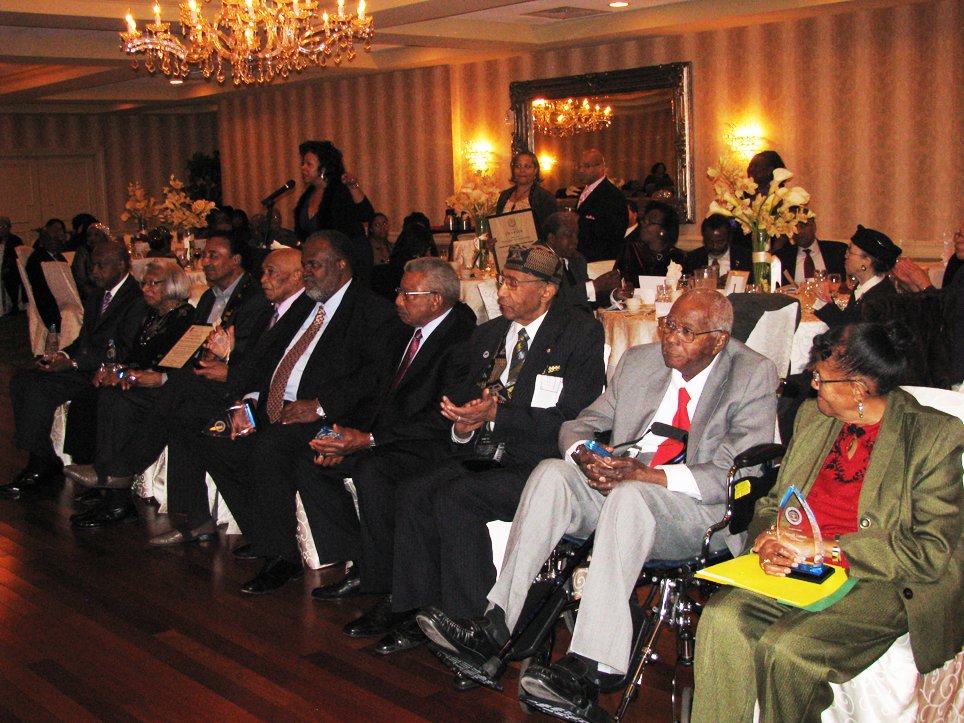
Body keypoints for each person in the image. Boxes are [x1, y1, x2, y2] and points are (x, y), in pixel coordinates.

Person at [417, 289, 778, 723]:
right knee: (553, 472)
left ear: (718, 340)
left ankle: (591, 667)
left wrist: (646, 476)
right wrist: (585, 453)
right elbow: (581, 422)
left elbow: (738, 471)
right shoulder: (641, 361)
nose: (670, 339)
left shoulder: (752, 373)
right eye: (668, 325)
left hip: (695, 507)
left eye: (686, 332)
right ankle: (496, 626)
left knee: (629, 495)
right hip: (624, 484)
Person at [692, 321, 964, 723]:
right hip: (802, 565)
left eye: (820, 376)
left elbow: (930, 551)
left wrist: (825, 549)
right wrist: (769, 539)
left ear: (858, 389)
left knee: (788, 651)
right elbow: (774, 500)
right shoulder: (813, 418)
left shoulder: (933, 435)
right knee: (720, 620)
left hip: (881, 577)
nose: (813, 384)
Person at [359, 245, 607, 656]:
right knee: (413, 488)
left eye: (512, 283)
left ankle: (472, 631)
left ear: (546, 291)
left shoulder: (578, 332)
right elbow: (467, 412)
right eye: (500, 282)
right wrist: (462, 425)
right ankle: (418, 610)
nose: (501, 292)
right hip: (480, 454)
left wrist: (498, 416)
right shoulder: (487, 335)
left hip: (538, 461)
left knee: (458, 498)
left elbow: (573, 419)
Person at [196, 231, 407, 594]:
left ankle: (283, 558)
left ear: (341, 265)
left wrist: (320, 405)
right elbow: (266, 354)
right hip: (274, 405)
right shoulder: (304, 305)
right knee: (217, 436)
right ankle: (262, 531)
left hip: (330, 417)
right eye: (305, 264)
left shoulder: (373, 311)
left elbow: (372, 378)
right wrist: (238, 389)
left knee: (272, 447)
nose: (307, 273)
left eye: (314, 265)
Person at [307, 258, 476, 638]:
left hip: (433, 444)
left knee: (374, 470)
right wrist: (345, 435)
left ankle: (396, 594)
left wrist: (366, 441)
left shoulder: (462, 339)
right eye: (398, 292)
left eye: (406, 294)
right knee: (314, 458)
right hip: (391, 436)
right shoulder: (403, 330)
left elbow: (443, 417)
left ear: (436, 299)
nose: (397, 300)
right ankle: (367, 566)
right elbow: (376, 393)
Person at [2, 239, 146, 498]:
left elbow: (123, 351)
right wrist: (63, 355)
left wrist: (76, 362)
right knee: (22, 380)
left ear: (123, 265)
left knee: (38, 388)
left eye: (102, 266)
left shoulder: (135, 299)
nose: (94, 271)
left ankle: (40, 466)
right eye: (93, 265)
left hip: (103, 371)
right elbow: (83, 340)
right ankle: (43, 457)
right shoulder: (97, 296)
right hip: (82, 364)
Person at [62, 261, 196, 528]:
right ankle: (108, 489)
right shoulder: (152, 314)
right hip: (144, 380)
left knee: (117, 401)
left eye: (152, 283)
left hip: (169, 388)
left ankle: (115, 495)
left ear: (171, 286)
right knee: (102, 392)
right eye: (143, 283)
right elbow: (135, 356)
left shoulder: (185, 317)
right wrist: (117, 371)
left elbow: (179, 365)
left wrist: (142, 376)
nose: (145, 288)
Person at [814, 225, 900, 327]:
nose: (846, 256)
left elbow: (851, 334)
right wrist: (826, 301)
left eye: (850, 252)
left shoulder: (878, 298)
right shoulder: (864, 287)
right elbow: (847, 322)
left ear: (866, 262)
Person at [614, 200, 686, 295]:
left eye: (650, 222)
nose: (643, 224)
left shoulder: (677, 257)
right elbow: (615, 282)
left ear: (663, 231)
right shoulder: (630, 250)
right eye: (644, 220)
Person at [574, 149, 629, 263]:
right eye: (578, 166)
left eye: (586, 166)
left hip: (599, 261)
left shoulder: (612, 195)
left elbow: (612, 235)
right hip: (581, 259)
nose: (581, 171)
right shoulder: (585, 191)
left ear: (600, 167)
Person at [494, 152, 558, 240]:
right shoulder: (504, 195)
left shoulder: (545, 197)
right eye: (518, 166)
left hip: (534, 251)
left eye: (527, 166)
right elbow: (498, 227)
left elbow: (550, 232)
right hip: (506, 250)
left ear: (535, 170)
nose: (522, 170)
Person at [775, 214, 847, 285]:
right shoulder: (781, 257)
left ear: (814, 226)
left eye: (803, 226)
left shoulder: (838, 250)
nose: (799, 231)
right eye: (794, 228)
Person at [25, 220, 69, 332]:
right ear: (42, 241)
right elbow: (40, 286)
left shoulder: (59, 257)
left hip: (60, 297)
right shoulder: (37, 259)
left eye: (56, 239)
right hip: (47, 302)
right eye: (49, 239)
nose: (53, 242)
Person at [685, 214, 753, 284]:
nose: (715, 246)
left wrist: (734, 281)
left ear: (729, 238)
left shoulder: (745, 257)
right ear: (704, 239)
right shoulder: (692, 259)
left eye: (720, 242)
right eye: (710, 242)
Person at [0, 216, 24, 313]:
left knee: (11, 278)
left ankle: (14, 305)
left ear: (9, 227)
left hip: (12, 269)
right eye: (0, 227)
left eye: (4, 226)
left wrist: (7, 268)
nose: (2, 229)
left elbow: (17, 259)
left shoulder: (15, 240)